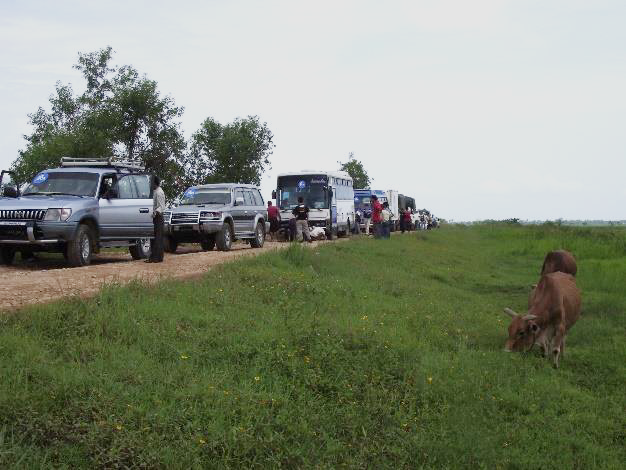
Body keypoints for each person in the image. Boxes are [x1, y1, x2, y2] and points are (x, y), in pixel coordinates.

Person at [147, 176, 165, 263]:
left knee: (158, 238)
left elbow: (161, 207)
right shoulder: (155, 192)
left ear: (155, 183)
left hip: (158, 217)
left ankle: (156, 257)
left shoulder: (159, 193)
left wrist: (155, 213)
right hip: (155, 217)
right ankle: (155, 257)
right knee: (155, 238)